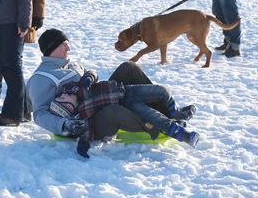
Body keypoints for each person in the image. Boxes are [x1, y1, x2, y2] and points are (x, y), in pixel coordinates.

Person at [27, 29, 199, 157]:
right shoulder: (41, 78)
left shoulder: (69, 64)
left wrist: (89, 78)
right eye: (64, 44)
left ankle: (165, 111)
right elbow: (40, 114)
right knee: (115, 110)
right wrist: (66, 125)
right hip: (84, 121)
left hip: (96, 99)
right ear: (52, 48)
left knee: (128, 68)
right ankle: (157, 126)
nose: (69, 48)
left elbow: (91, 74)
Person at [51, 69, 199, 158]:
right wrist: (83, 145)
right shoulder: (82, 113)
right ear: (69, 108)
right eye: (62, 99)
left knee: (162, 90)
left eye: (61, 96)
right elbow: (86, 128)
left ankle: (175, 111)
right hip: (124, 103)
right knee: (150, 114)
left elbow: (91, 73)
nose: (62, 95)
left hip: (126, 90)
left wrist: (89, 77)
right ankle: (181, 134)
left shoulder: (75, 88)